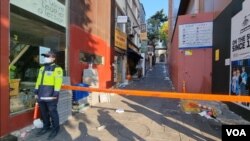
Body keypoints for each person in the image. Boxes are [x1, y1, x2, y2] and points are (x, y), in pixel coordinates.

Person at [34, 50, 63, 140]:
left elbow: (58, 82)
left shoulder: (57, 69)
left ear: (53, 58)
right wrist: (36, 91)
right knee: (44, 113)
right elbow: (38, 80)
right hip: (41, 94)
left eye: (48, 56)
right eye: (45, 56)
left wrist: (55, 93)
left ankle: (55, 129)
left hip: (51, 95)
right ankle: (46, 126)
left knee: (53, 112)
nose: (46, 58)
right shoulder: (42, 68)